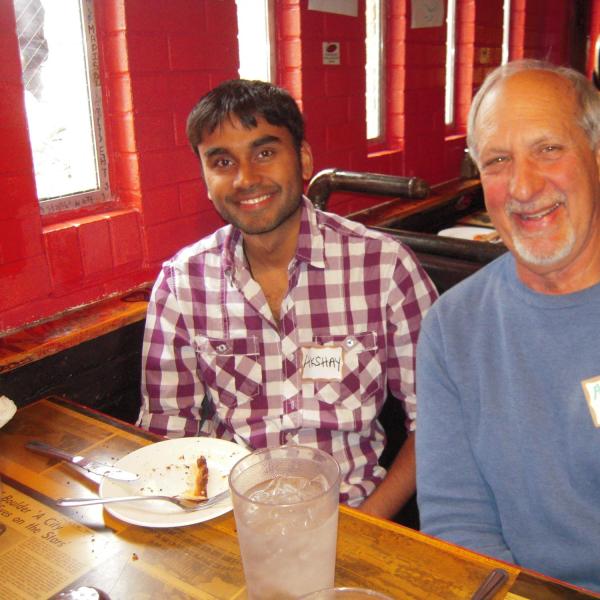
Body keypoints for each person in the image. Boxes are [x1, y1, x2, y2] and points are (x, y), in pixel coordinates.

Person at [138, 79, 437, 518]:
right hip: (228, 519)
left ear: (303, 158)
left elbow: (436, 423)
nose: (246, 178)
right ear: (205, 177)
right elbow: (167, 436)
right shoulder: (182, 284)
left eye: (264, 153)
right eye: (222, 161)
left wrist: (368, 525)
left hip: (355, 513)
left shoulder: (386, 268)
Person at [416, 59, 600, 592]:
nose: (522, 185)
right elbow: (459, 523)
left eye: (548, 148)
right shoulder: (453, 327)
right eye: (497, 160)